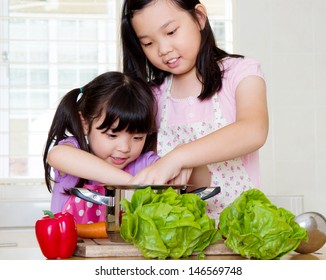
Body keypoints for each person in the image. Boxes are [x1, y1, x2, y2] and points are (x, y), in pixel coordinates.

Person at [120, 0, 269, 220]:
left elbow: (253, 131)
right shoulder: (152, 95)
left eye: (171, 31)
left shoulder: (241, 72)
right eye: (148, 43)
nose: (164, 49)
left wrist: (177, 158)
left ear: (199, 17)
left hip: (241, 232)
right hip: (178, 234)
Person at [43, 71, 160, 223]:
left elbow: (171, 173)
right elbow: (57, 155)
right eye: (112, 135)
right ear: (84, 123)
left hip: (117, 248)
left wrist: (180, 162)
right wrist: (131, 183)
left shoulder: (145, 164)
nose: (124, 148)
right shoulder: (75, 150)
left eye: (137, 137)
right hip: (68, 246)